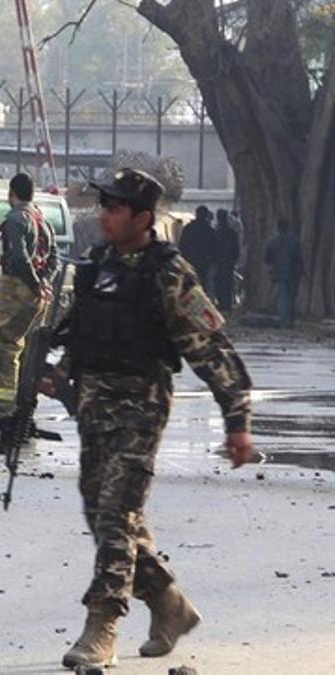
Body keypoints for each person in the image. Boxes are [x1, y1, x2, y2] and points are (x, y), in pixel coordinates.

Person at [49, 168, 254, 668]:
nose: (105, 215)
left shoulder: (168, 271)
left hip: (141, 407)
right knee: (103, 516)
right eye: (105, 206)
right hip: (93, 406)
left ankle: (102, 627)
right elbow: (82, 331)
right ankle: (169, 605)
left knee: (118, 514)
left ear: (143, 218)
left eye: (116, 208)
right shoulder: (97, 265)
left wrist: (237, 420)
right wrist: (59, 373)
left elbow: (210, 347)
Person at [0, 172, 56, 417]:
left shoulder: (16, 219)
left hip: (16, 289)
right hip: (39, 295)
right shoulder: (42, 220)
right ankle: (24, 402)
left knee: (3, 342)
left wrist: (34, 283)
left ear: (12, 193)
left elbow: (18, 256)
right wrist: (44, 282)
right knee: (28, 347)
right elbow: (53, 256)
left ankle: (1, 405)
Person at [264, 218, 304, 329]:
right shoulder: (295, 240)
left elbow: (267, 259)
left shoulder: (272, 241)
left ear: (277, 228)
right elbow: (299, 258)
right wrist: (301, 271)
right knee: (291, 297)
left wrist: (272, 267)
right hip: (293, 273)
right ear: (288, 227)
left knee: (282, 298)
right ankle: (289, 322)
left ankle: (284, 322)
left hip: (279, 273)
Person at [177, 206, 216, 295]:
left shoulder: (188, 228)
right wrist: (213, 261)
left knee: (190, 284)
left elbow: (182, 245)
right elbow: (214, 248)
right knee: (203, 283)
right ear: (206, 215)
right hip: (205, 263)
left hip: (190, 261)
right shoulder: (210, 230)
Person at [213, 209, 240, 311]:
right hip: (229, 263)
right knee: (228, 283)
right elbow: (236, 249)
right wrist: (234, 260)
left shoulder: (216, 232)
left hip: (219, 262)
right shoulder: (232, 233)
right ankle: (227, 304)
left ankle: (221, 303)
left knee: (219, 283)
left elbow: (212, 248)